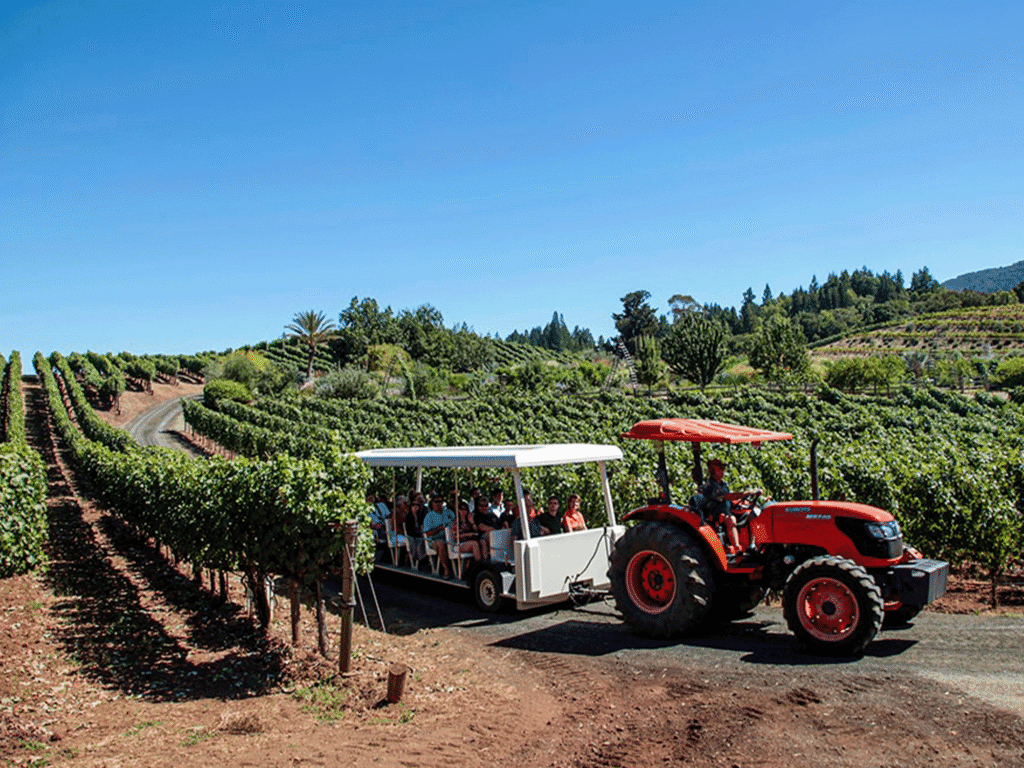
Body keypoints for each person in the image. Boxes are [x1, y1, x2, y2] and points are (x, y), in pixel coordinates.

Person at [696, 458, 762, 555]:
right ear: (712, 470)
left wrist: (745, 500)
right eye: (720, 468)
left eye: (723, 468)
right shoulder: (710, 486)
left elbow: (730, 499)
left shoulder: (723, 484)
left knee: (752, 514)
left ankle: (752, 545)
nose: (723, 470)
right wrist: (744, 493)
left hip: (728, 510)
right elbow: (727, 496)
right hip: (716, 514)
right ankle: (737, 549)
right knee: (731, 519)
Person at [422, 495, 456, 576]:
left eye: (440, 501)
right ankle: (446, 570)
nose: (438, 503)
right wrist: (439, 529)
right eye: (436, 501)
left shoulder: (448, 512)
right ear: (432, 503)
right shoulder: (429, 516)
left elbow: (456, 522)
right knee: (441, 544)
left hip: (451, 537)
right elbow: (427, 533)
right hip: (434, 539)